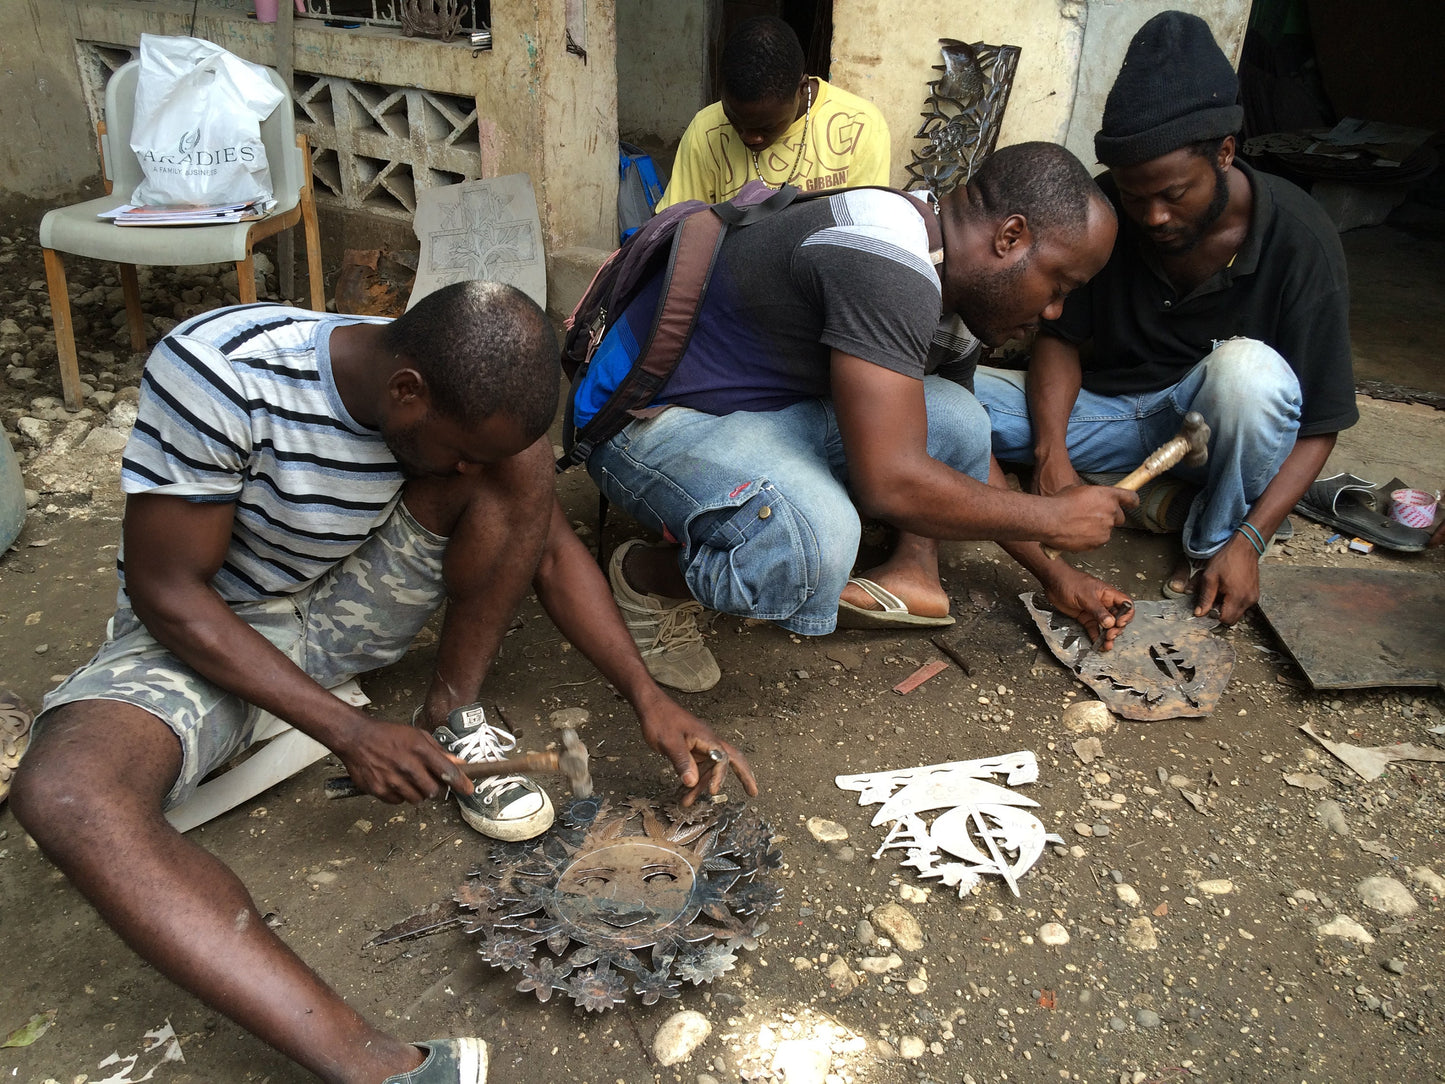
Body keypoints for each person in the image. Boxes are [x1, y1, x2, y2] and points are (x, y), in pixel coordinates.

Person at [10, 282, 756, 1084]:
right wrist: (348, 731)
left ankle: (453, 713)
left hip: (344, 601)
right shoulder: (220, 376)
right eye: (459, 453)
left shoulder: (444, 392)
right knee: (66, 794)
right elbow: (168, 593)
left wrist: (647, 696)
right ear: (405, 390)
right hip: (217, 630)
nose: (467, 470)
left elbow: (541, 541)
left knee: (519, 462)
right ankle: (383, 1070)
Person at [572, 141, 1141, 693]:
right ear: (1010, 237)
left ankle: (807, 527)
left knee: (962, 418)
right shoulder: (886, 257)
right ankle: (642, 578)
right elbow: (889, 481)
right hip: (641, 422)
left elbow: (956, 452)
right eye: (1059, 285)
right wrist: (1050, 518)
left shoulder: (957, 289)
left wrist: (1054, 574)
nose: (1054, 311)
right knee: (816, 541)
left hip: (755, 412)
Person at [974, 10, 1358, 626]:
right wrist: (1051, 460)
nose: (1152, 216)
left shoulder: (1298, 237)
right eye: (1135, 195)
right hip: (1109, 414)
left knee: (1249, 374)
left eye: (1173, 194)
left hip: (1218, 437)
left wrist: (1251, 540)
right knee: (945, 401)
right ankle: (1147, 496)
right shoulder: (1106, 210)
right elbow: (1059, 340)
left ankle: (1213, 540)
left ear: (1225, 153)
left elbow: (1319, 425)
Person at [656, 15, 891, 209]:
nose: (749, 137)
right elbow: (675, 226)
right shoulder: (706, 129)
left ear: (801, 89)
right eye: (735, 121)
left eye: (766, 127)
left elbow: (865, 229)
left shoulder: (859, 126)